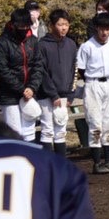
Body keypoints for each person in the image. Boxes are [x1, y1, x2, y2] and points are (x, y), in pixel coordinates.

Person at [77, 10, 109, 174]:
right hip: (93, 85)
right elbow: (81, 69)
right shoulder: (87, 46)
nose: (104, 32)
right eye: (102, 28)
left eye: (108, 29)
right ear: (96, 28)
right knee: (95, 123)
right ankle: (97, 162)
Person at [0, 8, 45, 142]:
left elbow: (38, 65)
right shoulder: (2, 43)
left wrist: (32, 87)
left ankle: (30, 159)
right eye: (20, 26)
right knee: (14, 132)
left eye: (26, 26)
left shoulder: (33, 41)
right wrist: (21, 89)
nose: (23, 29)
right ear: (13, 25)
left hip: (29, 92)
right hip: (9, 95)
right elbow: (3, 70)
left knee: (29, 130)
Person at [37, 10, 78, 159]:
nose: (63, 28)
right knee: (47, 129)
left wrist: (70, 95)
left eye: (66, 24)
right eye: (60, 24)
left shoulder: (71, 44)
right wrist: (53, 94)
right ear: (51, 26)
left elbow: (74, 70)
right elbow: (42, 72)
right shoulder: (42, 45)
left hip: (64, 95)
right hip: (46, 95)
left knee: (61, 130)